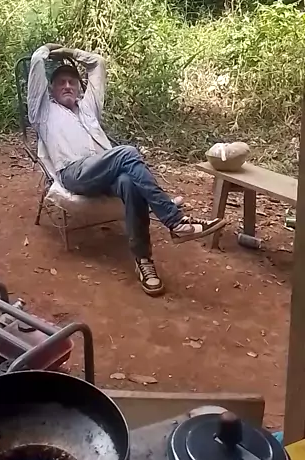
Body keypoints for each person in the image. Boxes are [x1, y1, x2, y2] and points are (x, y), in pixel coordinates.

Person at [28, 43, 226, 296]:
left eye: (72, 82)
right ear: (51, 89)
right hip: (74, 174)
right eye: (61, 83)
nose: (67, 86)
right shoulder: (43, 111)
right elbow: (37, 62)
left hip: (104, 172)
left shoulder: (88, 109)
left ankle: (144, 261)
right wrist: (47, 49)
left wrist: (72, 53)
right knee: (127, 152)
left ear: (79, 88)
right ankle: (174, 220)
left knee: (130, 183)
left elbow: (97, 63)